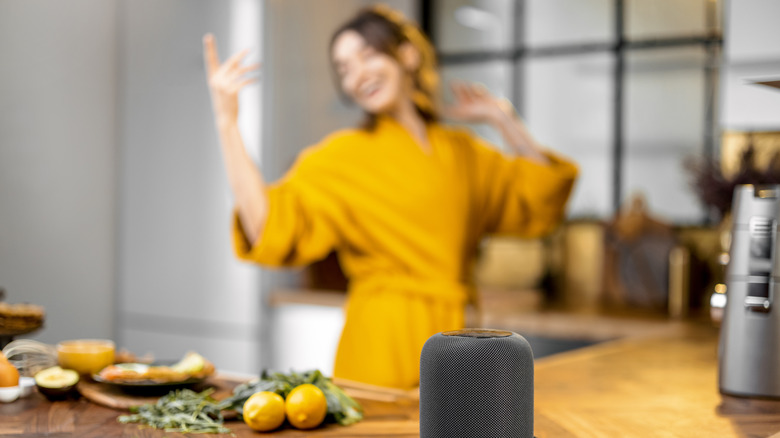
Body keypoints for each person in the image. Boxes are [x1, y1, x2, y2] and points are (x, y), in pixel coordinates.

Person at [203, 5, 578, 390]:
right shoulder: (341, 157)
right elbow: (266, 224)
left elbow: (543, 198)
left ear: (407, 55)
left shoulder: (463, 152)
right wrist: (227, 123)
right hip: (380, 347)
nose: (357, 75)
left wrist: (503, 119)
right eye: (344, 68)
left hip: (459, 345)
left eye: (367, 55)